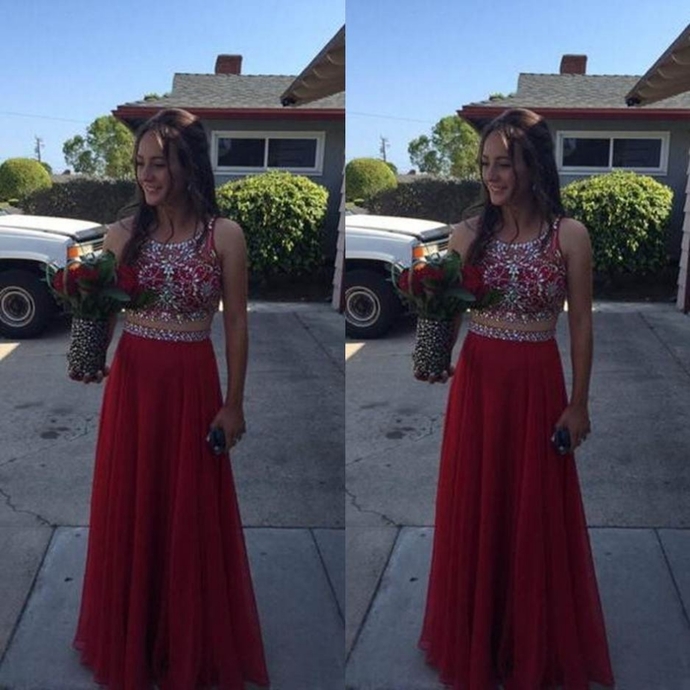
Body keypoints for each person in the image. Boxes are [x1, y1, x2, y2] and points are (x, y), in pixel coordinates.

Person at [71, 108, 269, 689]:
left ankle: (184, 636)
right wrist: (89, 352)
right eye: (140, 164)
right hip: (133, 386)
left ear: (189, 164)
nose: (147, 176)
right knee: (132, 504)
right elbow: (102, 307)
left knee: (188, 511)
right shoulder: (121, 235)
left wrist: (234, 403)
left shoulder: (224, 235)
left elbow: (236, 323)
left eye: (159, 163)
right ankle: (133, 634)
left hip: (191, 386)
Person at [417, 108, 614, 689]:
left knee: (534, 511)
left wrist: (579, 403)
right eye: (485, 164)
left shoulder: (569, 236)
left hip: (536, 386)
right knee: (478, 504)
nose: (492, 176)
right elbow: (446, 305)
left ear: (534, 164)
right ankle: (478, 634)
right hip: (479, 385)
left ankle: (530, 637)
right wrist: (433, 353)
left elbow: (581, 324)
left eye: (504, 163)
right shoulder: (467, 234)